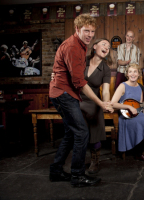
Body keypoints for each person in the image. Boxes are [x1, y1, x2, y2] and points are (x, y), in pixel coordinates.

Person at [49, 14, 113, 187]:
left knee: (72, 133)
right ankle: (77, 176)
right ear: (77, 29)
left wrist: (105, 103)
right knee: (82, 132)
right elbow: (79, 82)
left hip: (67, 94)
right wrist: (101, 103)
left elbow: (64, 69)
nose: (89, 34)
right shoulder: (73, 47)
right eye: (86, 31)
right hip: (64, 94)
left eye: (92, 31)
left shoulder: (81, 46)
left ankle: (55, 171)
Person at [80, 38, 112, 174]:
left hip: (94, 103)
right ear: (94, 47)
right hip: (77, 101)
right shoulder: (82, 61)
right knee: (79, 134)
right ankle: (78, 160)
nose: (107, 47)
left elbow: (105, 90)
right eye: (104, 44)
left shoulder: (106, 69)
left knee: (95, 134)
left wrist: (105, 103)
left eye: (109, 47)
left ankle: (95, 161)